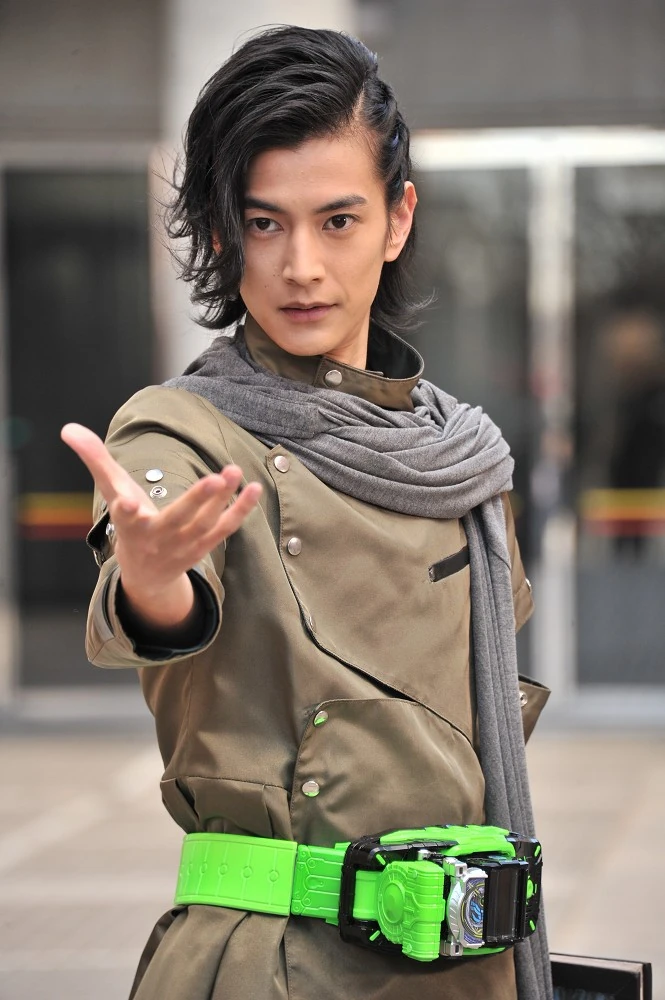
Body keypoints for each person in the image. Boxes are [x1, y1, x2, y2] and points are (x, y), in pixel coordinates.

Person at [61, 26, 552, 1000]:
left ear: (396, 219)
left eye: (336, 220)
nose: (300, 266)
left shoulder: (457, 456)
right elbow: (153, 557)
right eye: (263, 223)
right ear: (219, 232)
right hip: (275, 966)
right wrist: (153, 577)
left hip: (468, 967)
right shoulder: (180, 427)